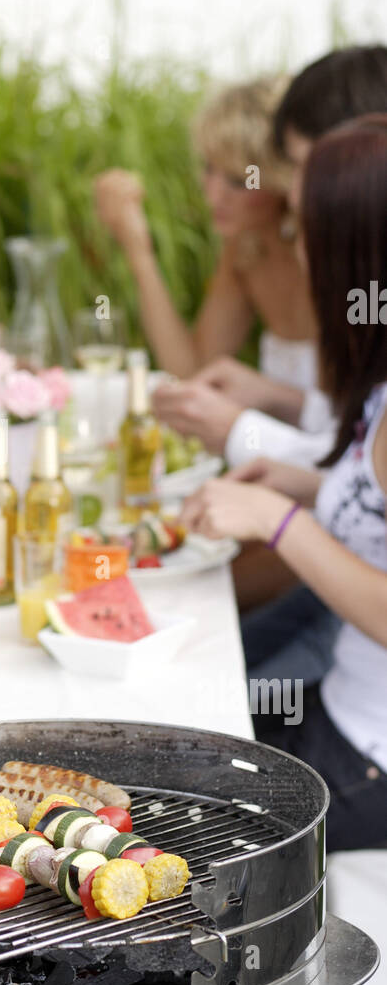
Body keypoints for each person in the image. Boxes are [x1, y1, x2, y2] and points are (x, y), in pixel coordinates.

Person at [179, 115, 387, 854]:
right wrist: (304, 485)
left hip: (368, 764)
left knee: (165, 817)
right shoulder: (377, 381)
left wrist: (275, 517)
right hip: (340, 709)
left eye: (309, 228)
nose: (298, 250)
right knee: (170, 731)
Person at [153, 46, 387, 466]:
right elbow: (361, 427)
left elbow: (364, 472)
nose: (212, 196)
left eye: (240, 179)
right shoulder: (251, 251)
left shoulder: (356, 278)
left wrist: (241, 431)